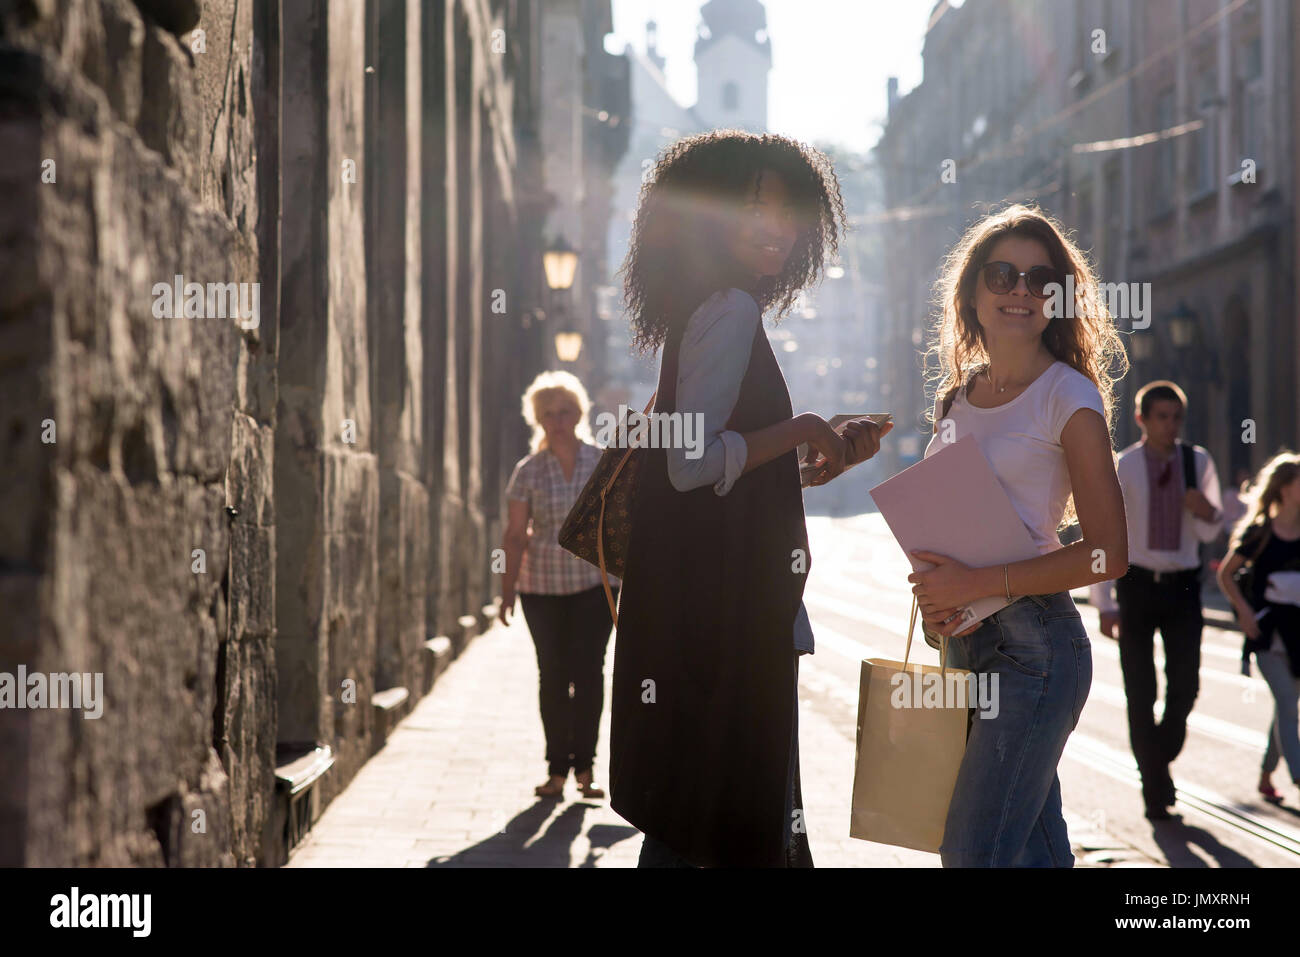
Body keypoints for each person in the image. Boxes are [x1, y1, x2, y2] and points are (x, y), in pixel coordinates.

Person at [611, 130, 888, 868]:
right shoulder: (730, 308)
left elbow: (710, 478)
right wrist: (800, 426)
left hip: (706, 612)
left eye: (790, 210)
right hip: (724, 627)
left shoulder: (705, 306)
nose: (778, 226)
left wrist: (799, 464)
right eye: (752, 206)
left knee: (705, 820)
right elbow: (690, 464)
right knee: (731, 820)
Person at [912, 203, 1128, 867]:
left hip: (1036, 653)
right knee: (1033, 852)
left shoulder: (1070, 398)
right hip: (965, 642)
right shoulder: (958, 398)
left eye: (1040, 280)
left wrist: (975, 582)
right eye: (1003, 274)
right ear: (972, 292)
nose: (1020, 291)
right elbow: (941, 527)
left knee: (972, 851)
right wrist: (937, 600)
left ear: (1059, 299)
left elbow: (1108, 552)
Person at [1089, 380, 1224, 820]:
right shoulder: (1124, 466)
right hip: (1137, 585)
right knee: (1140, 689)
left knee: (1185, 686)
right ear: (1142, 420)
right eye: (1161, 417)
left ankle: (1157, 756)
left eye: (1176, 418)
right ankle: (1153, 785)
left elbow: (1210, 530)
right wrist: (1103, 602)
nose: (1169, 426)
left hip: (1184, 586)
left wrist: (1204, 510)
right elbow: (1103, 536)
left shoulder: (1197, 461)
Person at [499, 371, 618, 801]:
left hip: (594, 583)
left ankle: (585, 770)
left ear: (579, 413)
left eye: (565, 411)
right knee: (553, 674)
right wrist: (506, 591)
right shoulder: (527, 471)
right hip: (541, 587)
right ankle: (555, 772)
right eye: (548, 413)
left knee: (588, 673)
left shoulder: (602, 462)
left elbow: (620, 525)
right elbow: (514, 535)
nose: (558, 420)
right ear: (537, 418)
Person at [1215, 452, 1300, 803]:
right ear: (1283, 489)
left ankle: (1266, 775)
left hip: (1298, 636)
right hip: (1266, 635)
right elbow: (1225, 574)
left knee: (1286, 705)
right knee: (1286, 702)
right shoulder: (1260, 532)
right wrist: (1245, 614)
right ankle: (1298, 777)